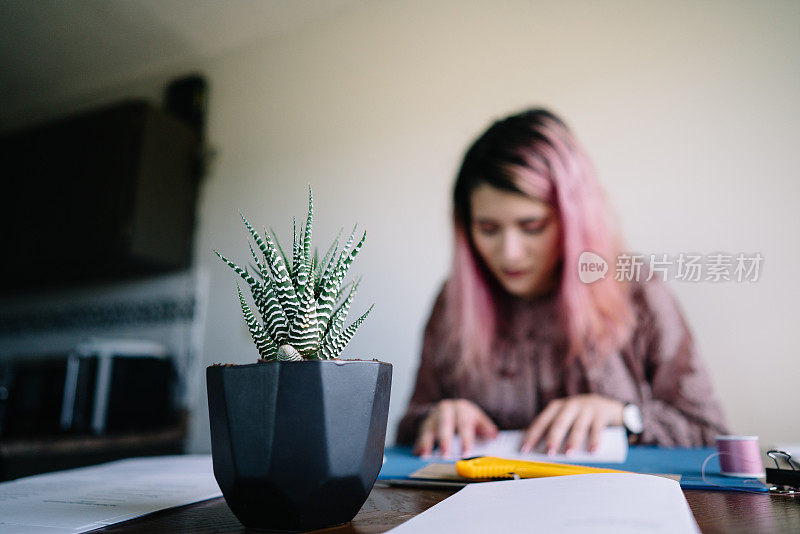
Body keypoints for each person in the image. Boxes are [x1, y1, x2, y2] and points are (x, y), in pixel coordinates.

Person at [397, 108, 728, 457]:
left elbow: (707, 429)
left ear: (573, 219)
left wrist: (625, 417)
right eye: (488, 229)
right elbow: (408, 428)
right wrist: (434, 419)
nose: (509, 254)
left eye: (533, 226)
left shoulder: (636, 290)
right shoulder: (453, 304)